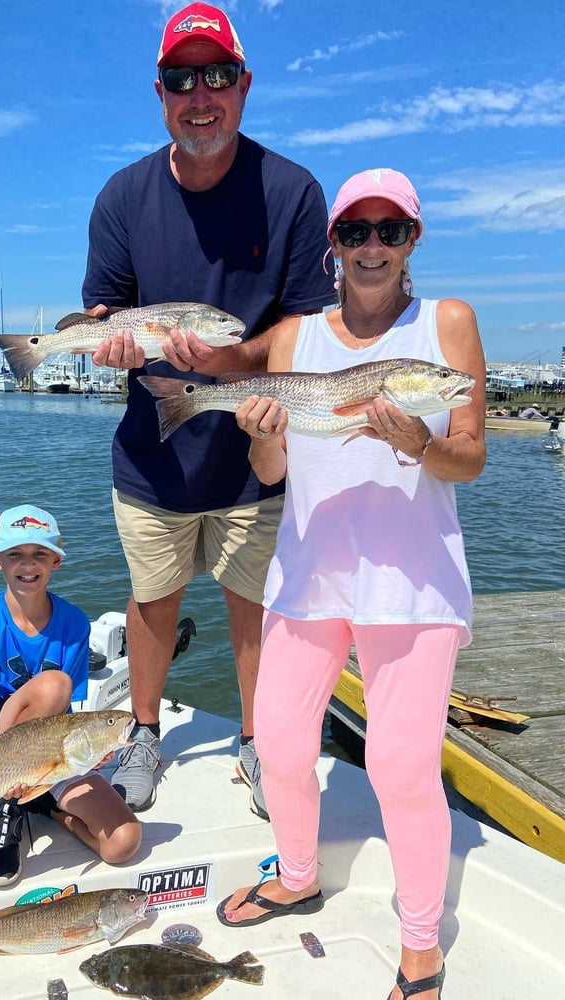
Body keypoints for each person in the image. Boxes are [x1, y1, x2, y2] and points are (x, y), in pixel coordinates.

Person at [216, 168, 487, 1000]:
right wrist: (259, 436)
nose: (372, 246)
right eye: (355, 231)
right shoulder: (296, 338)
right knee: (283, 745)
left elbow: (470, 454)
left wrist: (415, 439)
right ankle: (297, 873)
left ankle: (417, 943)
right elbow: (275, 467)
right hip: (308, 577)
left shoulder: (447, 322)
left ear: (413, 241)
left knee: (403, 770)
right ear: (332, 244)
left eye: (390, 230)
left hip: (413, 585)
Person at [82, 2, 335, 818]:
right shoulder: (122, 196)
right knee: (152, 600)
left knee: (253, 605)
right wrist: (109, 340)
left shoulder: (293, 192)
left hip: (254, 445)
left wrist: (230, 362)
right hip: (152, 444)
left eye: (217, 75)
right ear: (159, 93)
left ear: (244, 85)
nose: (201, 95)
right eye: (182, 79)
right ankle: (145, 733)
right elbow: (103, 310)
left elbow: (301, 328)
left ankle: (258, 742)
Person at [0, 503, 141, 887]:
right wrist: (11, 774)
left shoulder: (73, 622)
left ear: (56, 561)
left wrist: (93, 752)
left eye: (40, 553)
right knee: (53, 683)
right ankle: (9, 808)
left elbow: (69, 715)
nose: (28, 564)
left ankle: (45, 806)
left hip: (55, 752)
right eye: (15, 554)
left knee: (124, 843)